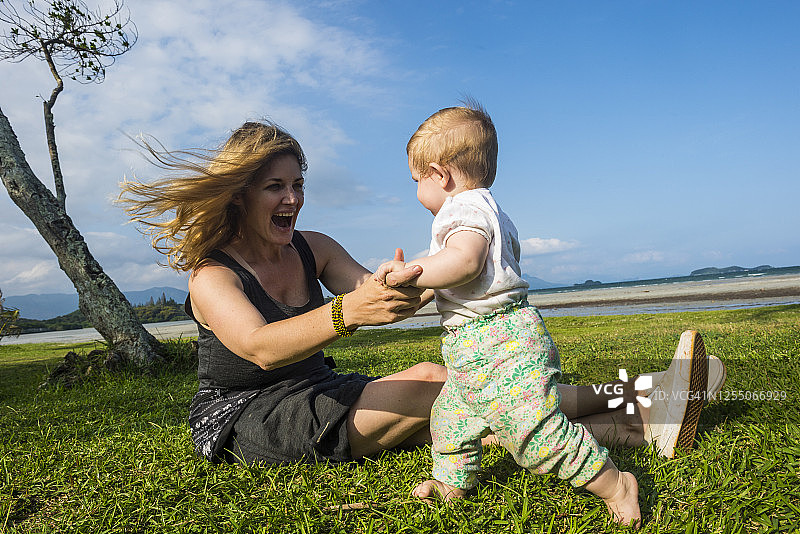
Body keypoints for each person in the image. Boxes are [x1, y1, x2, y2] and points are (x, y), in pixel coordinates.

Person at [118, 120, 721, 501]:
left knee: (474, 388)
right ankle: (640, 414)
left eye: (298, 185)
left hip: (324, 387)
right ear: (242, 191)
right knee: (448, 384)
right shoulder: (213, 275)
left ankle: (643, 405)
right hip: (245, 414)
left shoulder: (315, 247)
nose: (293, 199)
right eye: (276, 187)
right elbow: (258, 346)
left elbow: (387, 296)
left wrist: (425, 278)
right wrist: (346, 313)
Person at [373, 102, 714, 526]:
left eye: (416, 181)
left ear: (439, 175)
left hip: (500, 343)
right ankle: (452, 481)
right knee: (451, 419)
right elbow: (459, 275)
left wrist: (414, 272)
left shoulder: (461, 210)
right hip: (471, 354)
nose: (417, 193)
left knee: (534, 434)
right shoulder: (484, 210)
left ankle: (615, 482)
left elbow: (463, 264)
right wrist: (412, 283)